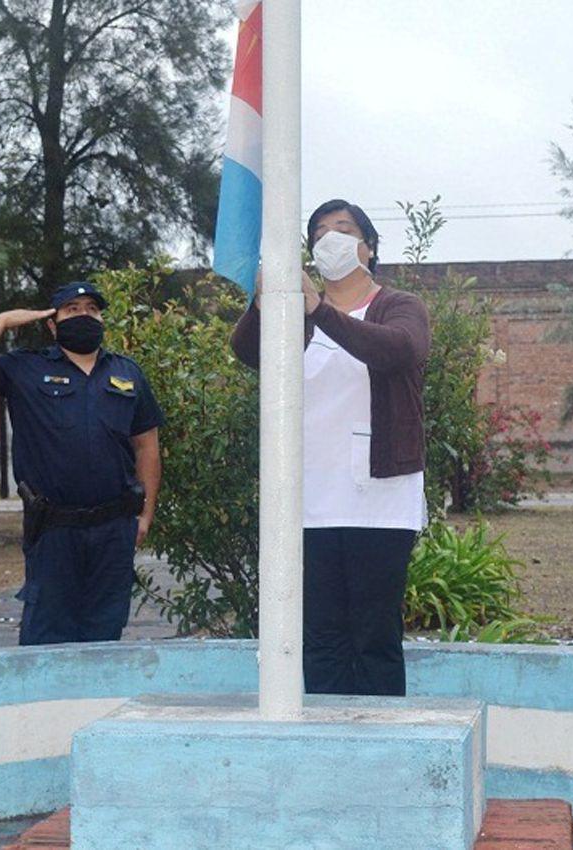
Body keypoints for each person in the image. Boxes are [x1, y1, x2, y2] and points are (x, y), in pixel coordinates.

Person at [230, 199, 431, 697]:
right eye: (319, 232)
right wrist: (263, 302)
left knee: (374, 635)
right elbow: (247, 354)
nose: (330, 239)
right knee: (320, 637)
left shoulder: (398, 306)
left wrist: (320, 310)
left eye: (343, 229)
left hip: (378, 500)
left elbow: (396, 351)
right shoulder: (293, 315)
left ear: (369, 246)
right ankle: (327, 740)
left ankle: (383, 745)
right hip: (309, 499)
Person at [0, 281, 163, 646]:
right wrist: (0, 322)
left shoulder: (127, 373)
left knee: (105, 636)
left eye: (92, 308)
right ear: (52, 322)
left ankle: (97, 704)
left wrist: (146, 515)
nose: (84, 315)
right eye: (72, 309)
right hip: (54, 530)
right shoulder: (25, 368)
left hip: (113, 530)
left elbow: (147, 447)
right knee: (47, 638)